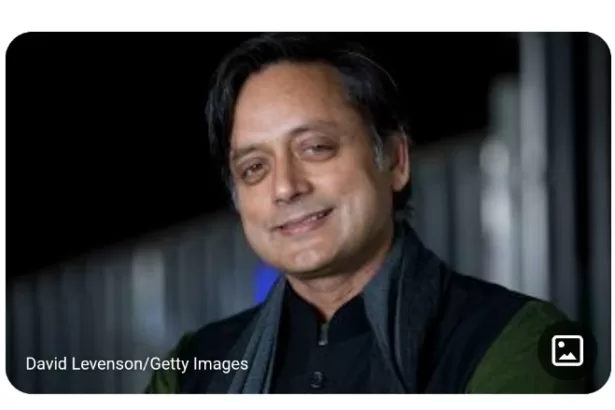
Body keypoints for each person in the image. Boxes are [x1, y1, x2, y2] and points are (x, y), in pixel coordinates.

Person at [145, 33, 584, 393]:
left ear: (394, 160)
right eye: (254, 168)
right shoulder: (193, 370)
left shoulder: (511, 340)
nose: (285, 187)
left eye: (316, 148)